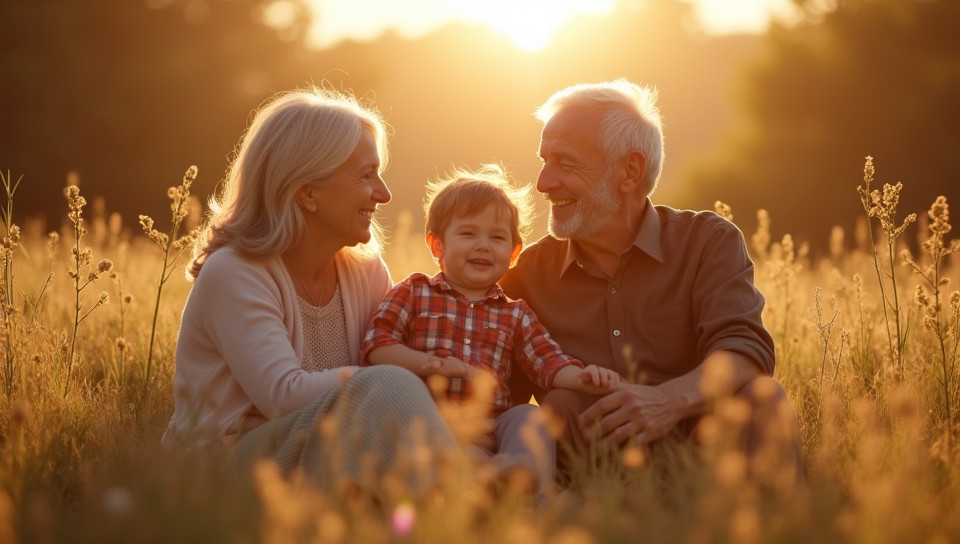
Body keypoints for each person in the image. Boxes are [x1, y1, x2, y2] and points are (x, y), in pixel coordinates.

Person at [501, 79, 803, 486]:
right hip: (591, 475)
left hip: (710, 458)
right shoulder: (527, 271)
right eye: (544, 160)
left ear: (630, 171)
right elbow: (493, 380)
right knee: (557, 406)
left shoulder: (708, 242)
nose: (542, 182)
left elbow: (745, 350)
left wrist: (666, 402)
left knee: (765, 399)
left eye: (565, 163)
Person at [161, 87, 457, 499]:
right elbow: (281, 396)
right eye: (366, 175)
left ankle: (455, 503)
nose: (384, 193)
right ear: (307, 192)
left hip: (317, 450)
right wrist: (386, 380)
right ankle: (466, 504)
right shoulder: (234, 272)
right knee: (392, 386)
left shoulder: (365, 270)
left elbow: (399, 364)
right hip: (223, 473)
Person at [360, 165, 620, 496]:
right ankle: (490, 483)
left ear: (513, 253)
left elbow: (548, 362)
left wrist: (584, 377)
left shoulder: (515, 313)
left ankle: (525, 480)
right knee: (455, 460)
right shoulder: (414, 291)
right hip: (431, 426)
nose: (483, 246)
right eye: (468, 234)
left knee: (529, 415)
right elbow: (376, 344)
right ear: (437, 245)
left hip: (492, 428)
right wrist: (431, 364)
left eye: (497, 238)